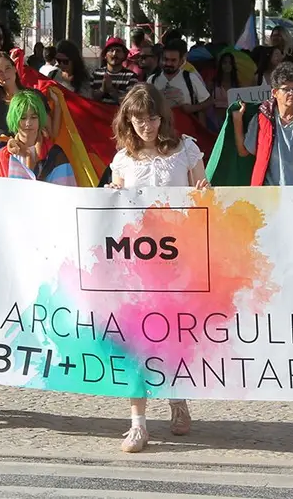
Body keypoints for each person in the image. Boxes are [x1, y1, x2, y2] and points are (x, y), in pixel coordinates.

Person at [105, 84, 209, 453]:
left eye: (151, 118)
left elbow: (205, 195)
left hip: (177, 259)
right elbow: (113, 208)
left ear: (162, 118)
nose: (146, 126)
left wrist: (203, 191)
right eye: (138, 119)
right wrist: (110, 192)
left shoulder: (185, 149)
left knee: (173, 334)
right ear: (128, 121)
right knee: (135, 338)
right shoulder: (123, 159)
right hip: (136, 262)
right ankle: (137, 422)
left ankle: (177, 398)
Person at [0, 89, 76, 185]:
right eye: (23, 118)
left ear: (41, 119)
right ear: (14, 119)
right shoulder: (3, 158)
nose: (28, 123)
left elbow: (66, 194)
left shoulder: (56, 155)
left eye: (34, 117)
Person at [150, 39, 212, 118]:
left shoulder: (190, 78)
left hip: (185, 128)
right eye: (166, 59)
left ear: (181, 61)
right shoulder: (152, 80)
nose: (168, 63)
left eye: (173, 60)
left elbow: (208, 101)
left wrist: (192, 108)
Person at [92, 37, 139, 104]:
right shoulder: (96, 74)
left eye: (118, 51)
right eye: (111, 50)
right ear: (105, 55)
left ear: (124, 55)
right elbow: (89, 100)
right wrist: (102, 90)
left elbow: (130, 103)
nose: (114, 54)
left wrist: (111, 90)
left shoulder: (131, 77)